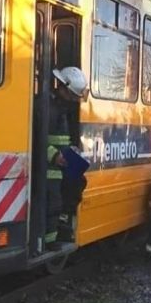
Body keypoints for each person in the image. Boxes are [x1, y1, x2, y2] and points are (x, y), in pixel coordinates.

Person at [45, 67, 88, 246]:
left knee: (78, 182)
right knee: (53, 200)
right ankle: (50, 240)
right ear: (63, 88)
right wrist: (54, 156)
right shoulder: (46, 107)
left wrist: (73, 149)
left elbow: (61, 136)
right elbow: (35, 138)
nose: (73, 100)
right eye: (72, 95)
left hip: (61, 160)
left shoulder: (60, 107)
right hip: (49, 165)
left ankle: (64, 224)